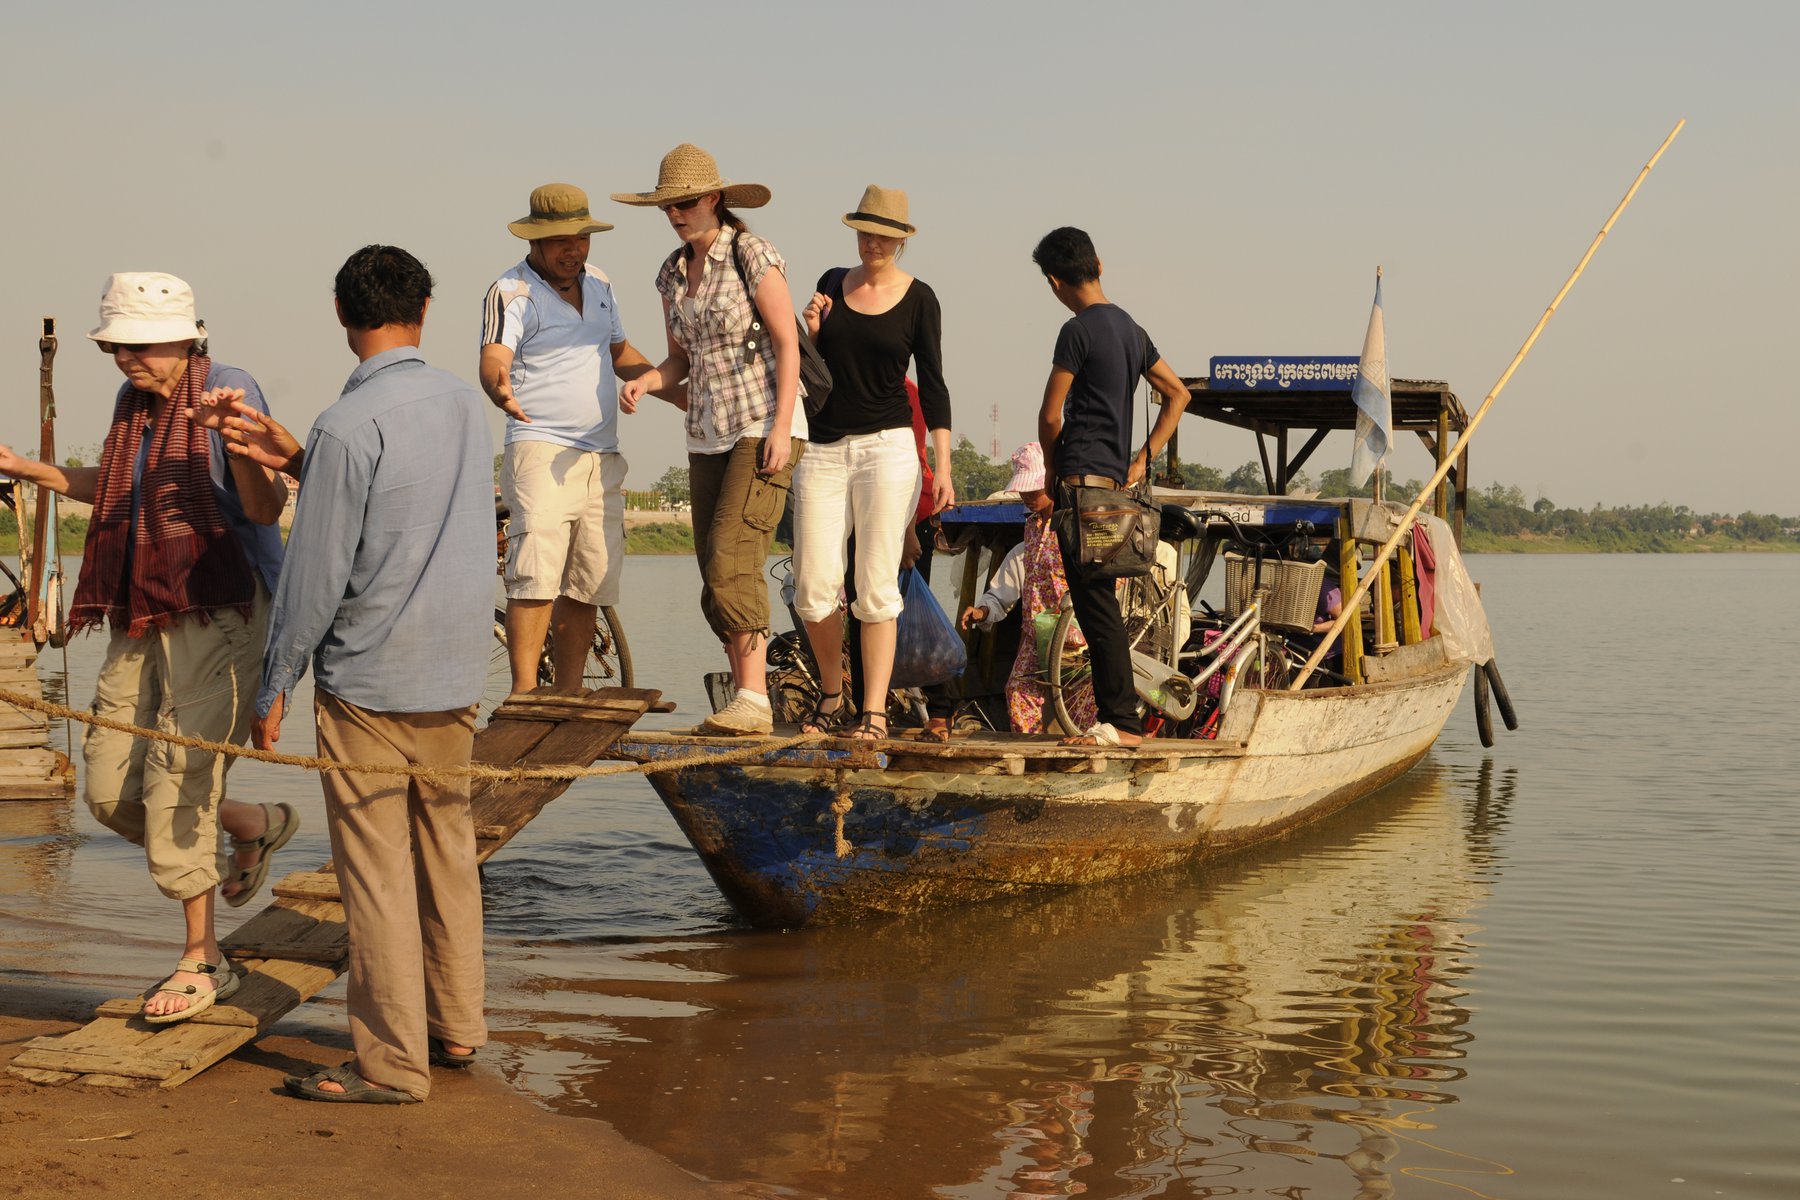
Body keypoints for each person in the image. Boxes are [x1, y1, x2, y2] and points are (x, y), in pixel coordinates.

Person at [0, 272, 292, 1023]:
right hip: (142, 607)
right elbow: (121, 491)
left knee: (178, 778)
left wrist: (243, 444)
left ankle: (203, 960)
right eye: (118, 344)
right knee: (106, 789)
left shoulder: (227, 387)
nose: (129, 357)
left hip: (216, 605)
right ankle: (251, 823)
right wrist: (28, 469)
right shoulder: (134, 405)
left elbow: (263, 508)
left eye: (143, 343)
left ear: (189, 337)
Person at [257, 245, 492, 1104]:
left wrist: (274, 681)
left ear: (340, 313)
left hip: (369, 681)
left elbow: (314, 576)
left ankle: (393, 1064)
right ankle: (457, 1028)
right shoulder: (467, 407)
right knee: (449, 853)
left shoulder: (344, 427)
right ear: (423, 308)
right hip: (456, 671)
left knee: (380, 875)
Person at [614, 144, 806, 736]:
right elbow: (680, 361)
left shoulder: (752, 254)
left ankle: (753, 698)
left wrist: (780, 428)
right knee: (711, 567)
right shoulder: (670, 274)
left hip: (761, 425)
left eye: (687, 202)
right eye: (668, 204)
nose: (677, 213)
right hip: (705, 434)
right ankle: (746, 696)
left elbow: (787, 343)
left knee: (733, 554)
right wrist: (648, 381)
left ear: (715, 200)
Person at [480, 183, 662, 696]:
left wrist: (672, 389)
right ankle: (523, 693)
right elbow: (495, 357)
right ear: (535, 241)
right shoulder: (511, 290)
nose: (573, 249)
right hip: (541, 448)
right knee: (534, 575)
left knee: (590, 580)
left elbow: (620, 351)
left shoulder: (600, 283)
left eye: (580, 237)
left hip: (600, 455)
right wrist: (499, 386)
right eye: (560, 239)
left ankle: (569, 691)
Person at [793, 185, 953, 740]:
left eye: (884, 235)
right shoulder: (831, 282)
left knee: (876, 586)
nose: (872, 242)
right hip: (823, 448)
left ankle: (875, 710)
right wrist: (810, 328)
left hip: (888, 448)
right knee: (813, 586)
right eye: (865, 231)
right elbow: (807, 364)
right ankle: (833, 693)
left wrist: (945, 468)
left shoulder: (919, 298)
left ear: (901, 240)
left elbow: (933, 387)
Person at [1033, 227, 1190, 748]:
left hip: (1081, 488)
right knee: (1102, 605)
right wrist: (1143, 458)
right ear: (1099, 264)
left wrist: (1053, 479)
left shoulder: (1075, 331)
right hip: (1116, 489)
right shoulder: (1131, 329)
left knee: (1096, 607)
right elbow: (1178, 393)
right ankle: (1121, 719)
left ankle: (1122, 723)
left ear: (1055, 282)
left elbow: (1050, 415)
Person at [958, 443, 1098, 735]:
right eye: (1024, 491)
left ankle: (1080, 750)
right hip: (1037, 634)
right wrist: (983, 611)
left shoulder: (1077, 523)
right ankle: (1031, 749)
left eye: (1033, 491)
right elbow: (1006, 587)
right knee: (1019, 691)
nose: (1027, 497)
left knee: (1080, 699)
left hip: (1076, 633)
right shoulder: (1031, 529)